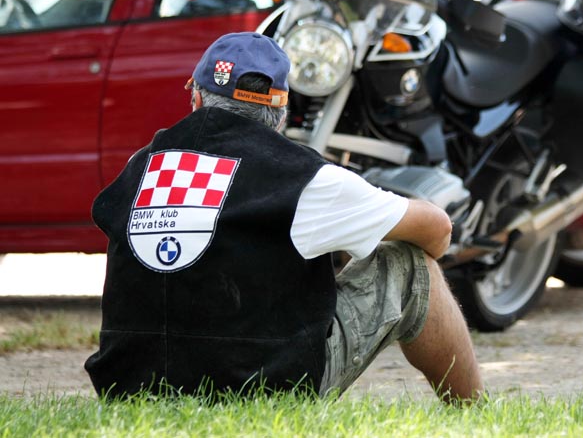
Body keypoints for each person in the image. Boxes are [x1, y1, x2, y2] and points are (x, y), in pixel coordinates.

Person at [85, 32, 483, 403]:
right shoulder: (303, 178)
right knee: (411, 264)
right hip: (257, 385)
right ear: (281, 114)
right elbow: (437, 227)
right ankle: (475, 416)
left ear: (197, 100)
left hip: (130, 385)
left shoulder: (142, 166)